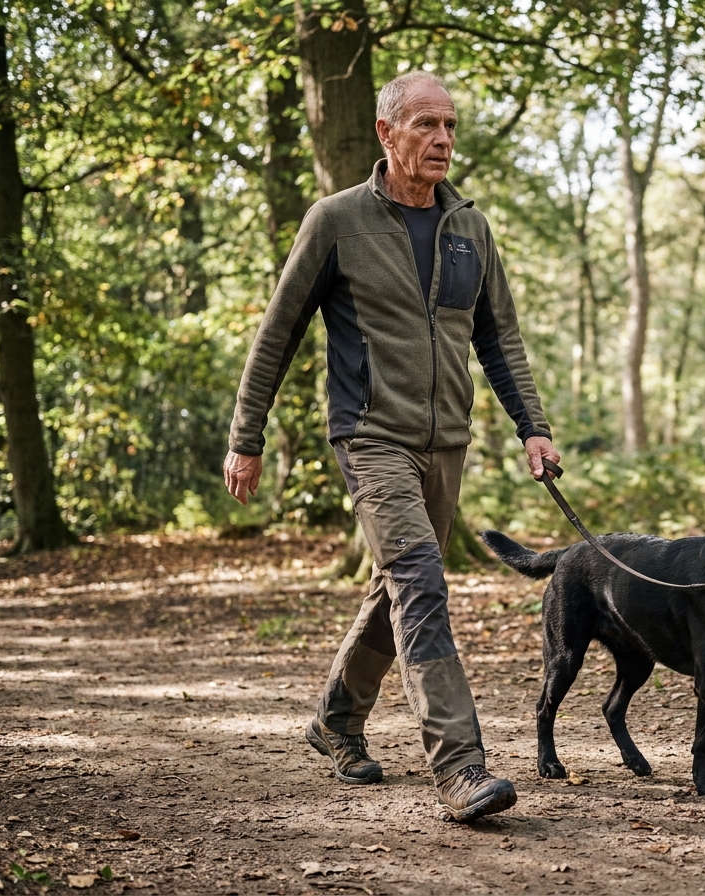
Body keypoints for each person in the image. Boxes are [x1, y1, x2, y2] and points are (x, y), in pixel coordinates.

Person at [222, 71, 559, 823]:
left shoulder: (469, 227)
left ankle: (336, 719)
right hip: (370, 434)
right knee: (419, 581)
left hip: (447, 442)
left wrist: (532, 426)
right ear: (387, 133)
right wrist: (246, 437)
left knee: (398, 589)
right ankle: (461, 767)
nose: (442, 140)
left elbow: (499, 338)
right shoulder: (336, 220)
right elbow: (277, 333)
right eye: (426, 125)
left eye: (450, 127)